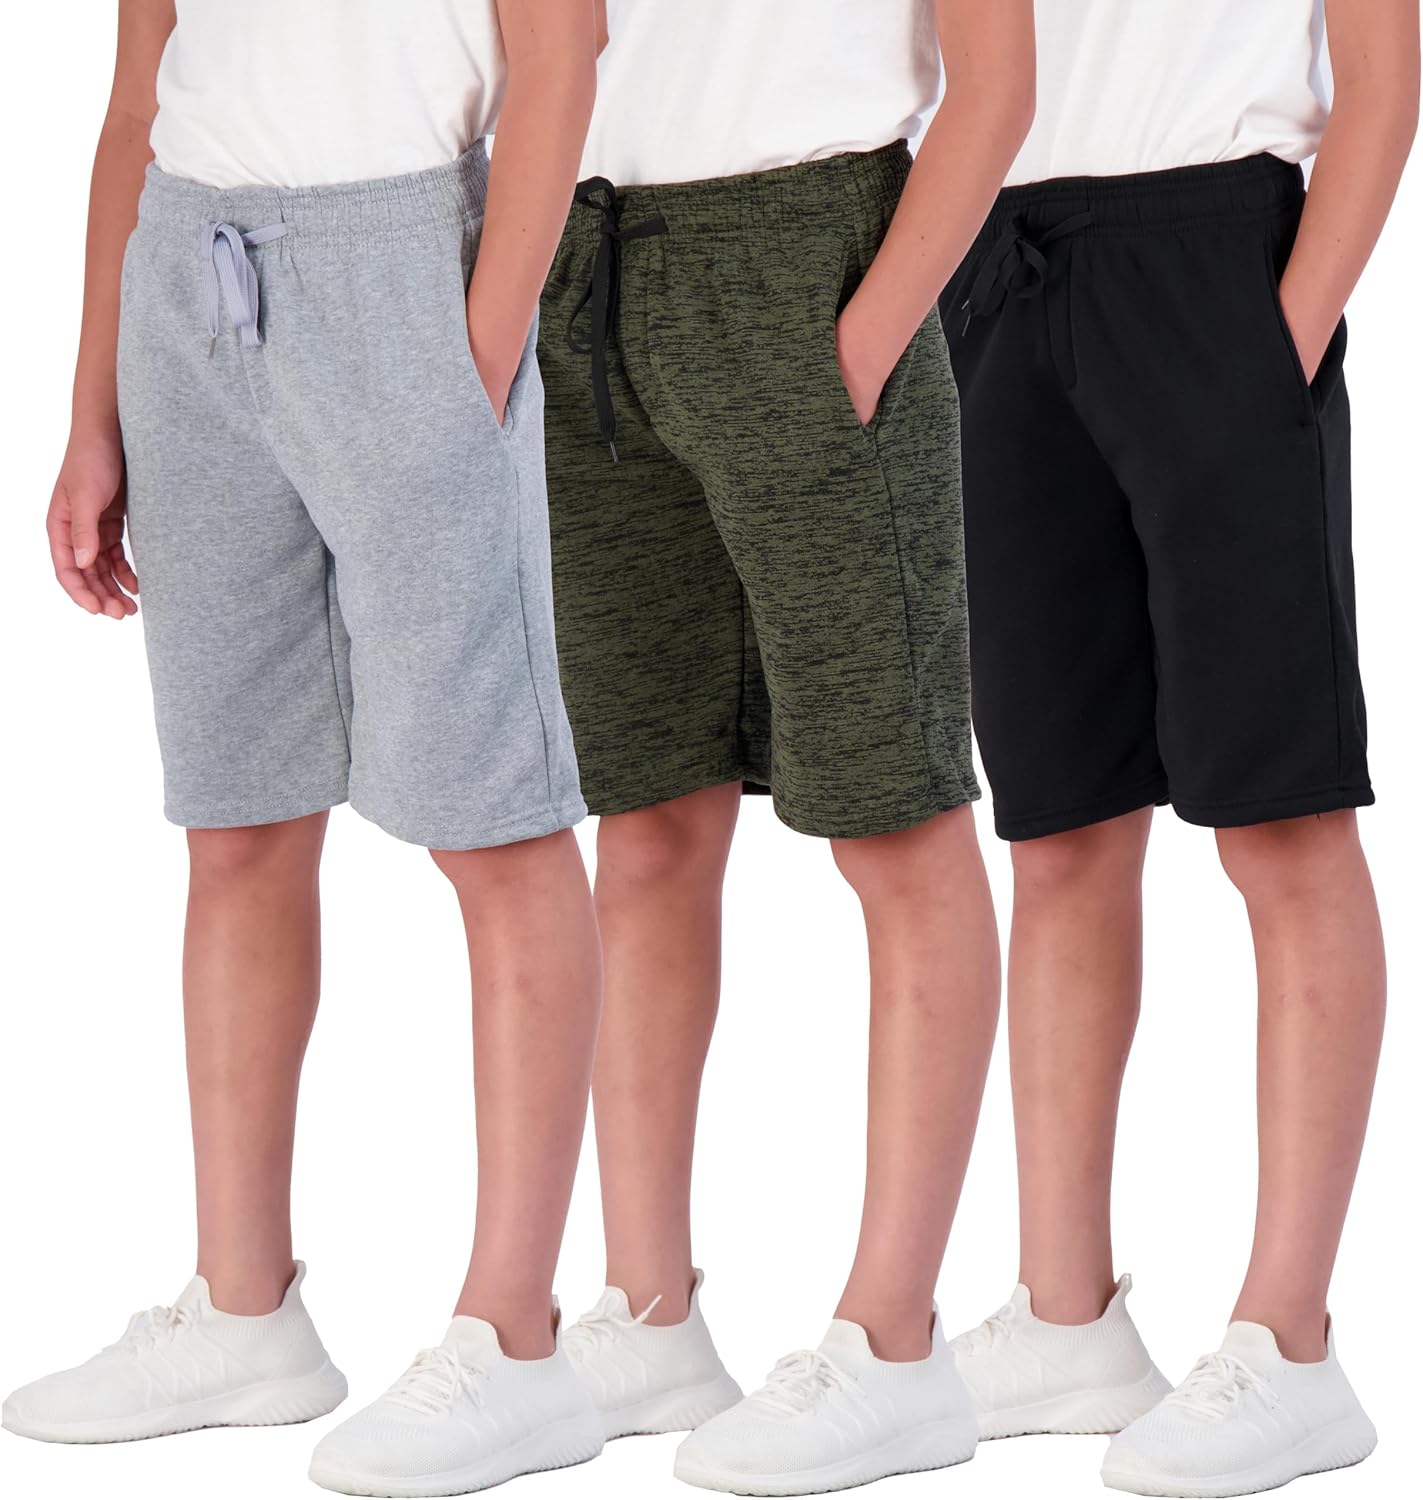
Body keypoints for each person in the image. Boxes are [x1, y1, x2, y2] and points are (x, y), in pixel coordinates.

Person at [3, 3, 609, 1494]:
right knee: (237, 816)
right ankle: (245, 1311)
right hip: (189, 280)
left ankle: (515, 1340)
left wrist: (474, 359)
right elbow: (135, 96)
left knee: (495, 822)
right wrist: (92, 407)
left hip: (403, 275)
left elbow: (563, 52)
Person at [536, 2, 1034, 1493]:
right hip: (595, 269)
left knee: (895, 814)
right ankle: (650, 1313)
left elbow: (997, 83)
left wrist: (861, 338)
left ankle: (894, 1345)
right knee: (645, 821)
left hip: (810, 254)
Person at [941, 1, 1417, 1495]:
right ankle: (1065, 1316)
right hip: (1002, 270)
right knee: (1059, 829)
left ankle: (1290, 1343)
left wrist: (1276, 344)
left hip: (1217, 266)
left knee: (1282, 820)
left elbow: (1383, 80)